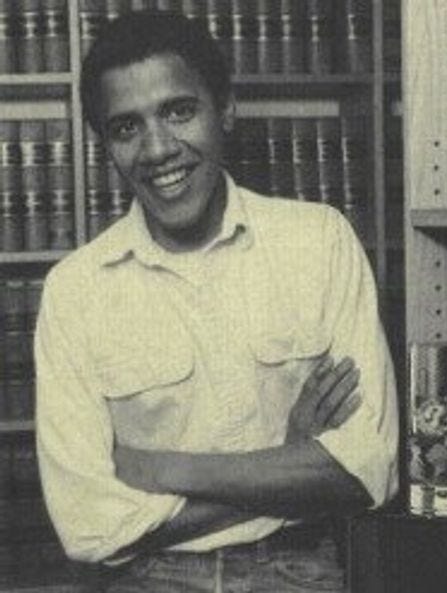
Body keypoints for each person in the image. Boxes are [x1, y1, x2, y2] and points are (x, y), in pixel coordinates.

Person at [35, 12, 399, 593]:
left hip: (302, 568)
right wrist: (288, 459)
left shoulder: (319, 241)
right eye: (127, 128)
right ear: (105, 146)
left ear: (225, 108)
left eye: (180, 111)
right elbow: (90, 528)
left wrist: (163, 468)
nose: (158, 149)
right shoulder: (74, 290)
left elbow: (368, 468)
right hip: (147, 577)